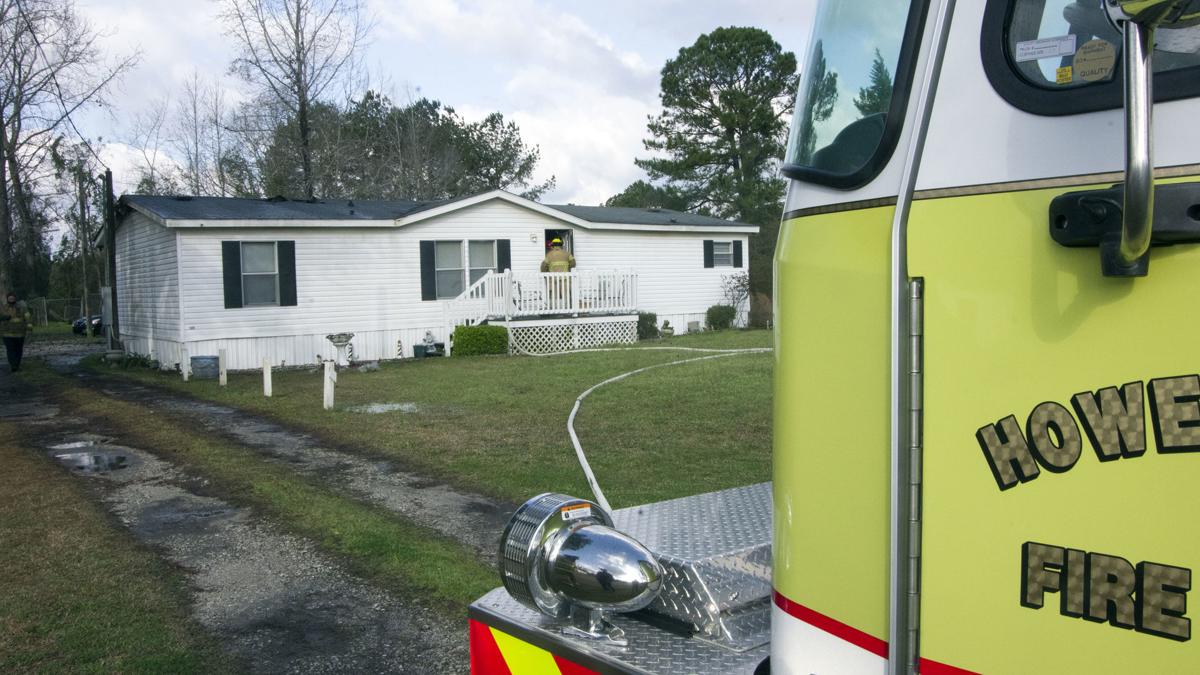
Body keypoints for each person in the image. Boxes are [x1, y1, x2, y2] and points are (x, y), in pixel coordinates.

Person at [1, 292, 32, 373]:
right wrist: (3, 317)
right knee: (10, 350)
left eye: (12, 298)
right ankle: (13, 366)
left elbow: (28, 317)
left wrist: (29, 328)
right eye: (10, 298)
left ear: (15, 298)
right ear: (7, 299)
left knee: (18, 350)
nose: (11, 299)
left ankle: (17, 365)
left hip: (20, 333)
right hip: (7, 333)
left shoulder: (22, 307)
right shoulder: (3, 308)